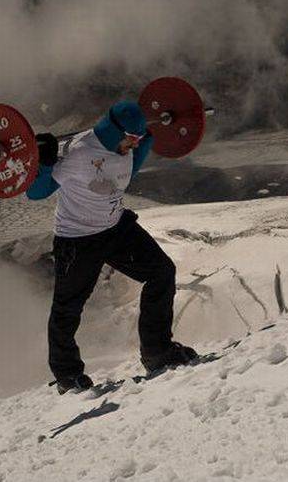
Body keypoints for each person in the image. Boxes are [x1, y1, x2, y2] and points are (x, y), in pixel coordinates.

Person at [27, 101, 197, 394]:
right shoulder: (78, 154)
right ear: (113, 131)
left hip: (116, 229)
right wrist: (43, 161)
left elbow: (130, 168)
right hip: (77, 239)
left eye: (138, 138)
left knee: (161, 272)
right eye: (131, 137)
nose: (135, 144)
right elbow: (36, 192)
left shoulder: (129, 149)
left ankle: (157, 352)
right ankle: (68, 375)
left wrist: (163, 123)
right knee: (68, 307)